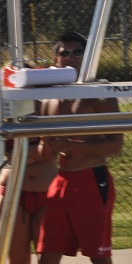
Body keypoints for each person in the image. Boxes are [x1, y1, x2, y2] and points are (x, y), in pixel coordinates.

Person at [36, 32, 123, 264]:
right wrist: (47, 143)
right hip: (61, 182)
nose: (71, 57)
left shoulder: (98, 94)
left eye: (78, 52)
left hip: (91, 181)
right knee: (47, 253)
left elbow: (116, 145)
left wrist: (70, 145)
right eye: (65, 53)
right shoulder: (49, 99)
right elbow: (46, 156)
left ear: (87, 57)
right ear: (56, 59)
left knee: (98, 256)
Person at [1, 119, 57, 264]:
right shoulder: (5, 109)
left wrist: (15, 154)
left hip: (47, 192)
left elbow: (52, 149)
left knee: (48, 258)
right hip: (14, 193)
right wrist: (34, 152)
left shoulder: (43, 105)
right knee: (18, 260)